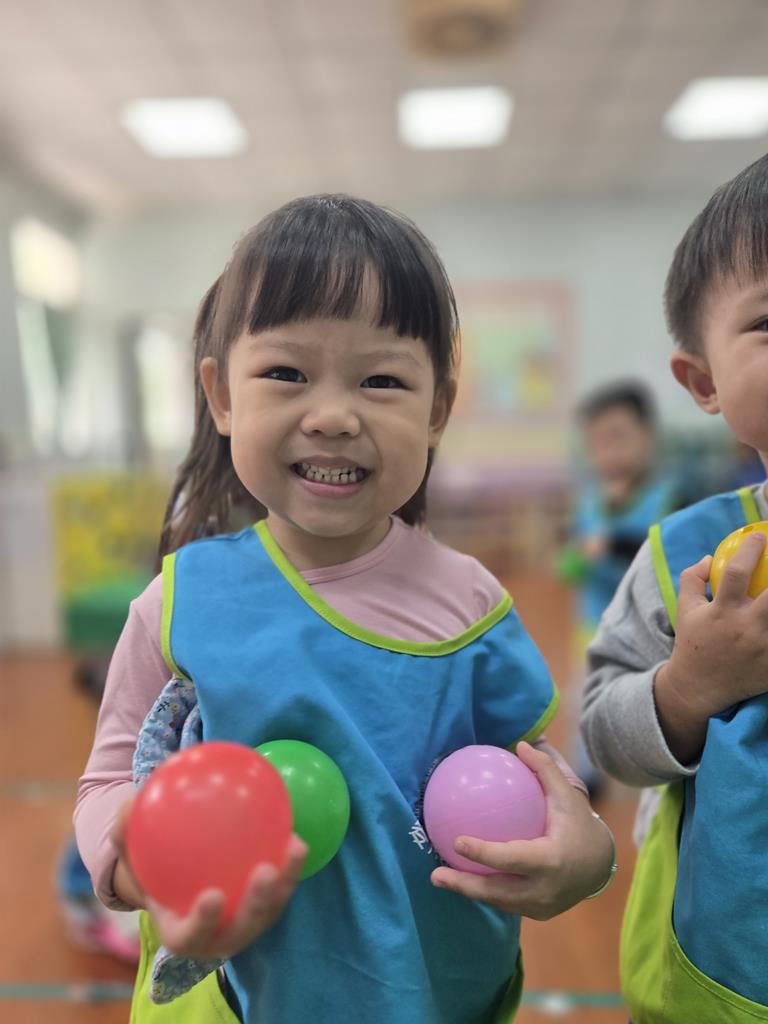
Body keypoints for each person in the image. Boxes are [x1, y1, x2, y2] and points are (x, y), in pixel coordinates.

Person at [74, 194, 615, 1024]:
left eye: (382, 380)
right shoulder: (180, 604)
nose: (333, 417)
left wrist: (589, 855)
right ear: (221, 396)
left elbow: (535, 771)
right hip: (243, 998)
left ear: (437, 409)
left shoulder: (472, 604)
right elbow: (110, 780)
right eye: (286, 374)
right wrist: (141, 867)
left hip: (437, 993)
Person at [581, 153, 768, 1023]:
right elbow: (604, 730)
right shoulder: (684, 552)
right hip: (729, 979)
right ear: (704, 382)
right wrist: (689, 687)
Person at [557, 380, 677, 795]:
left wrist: (611, 544)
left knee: (650, 701)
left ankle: (654, 773)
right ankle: (585, 775)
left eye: (618, 437)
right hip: (595, 623)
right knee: (586, 698)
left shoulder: (668, 498)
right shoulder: (590, 500)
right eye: (597, 442)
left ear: (648, 436)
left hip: (652, 630)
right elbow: (572, 553)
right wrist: (573, 558)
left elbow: (665, 554)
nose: (607, 452)